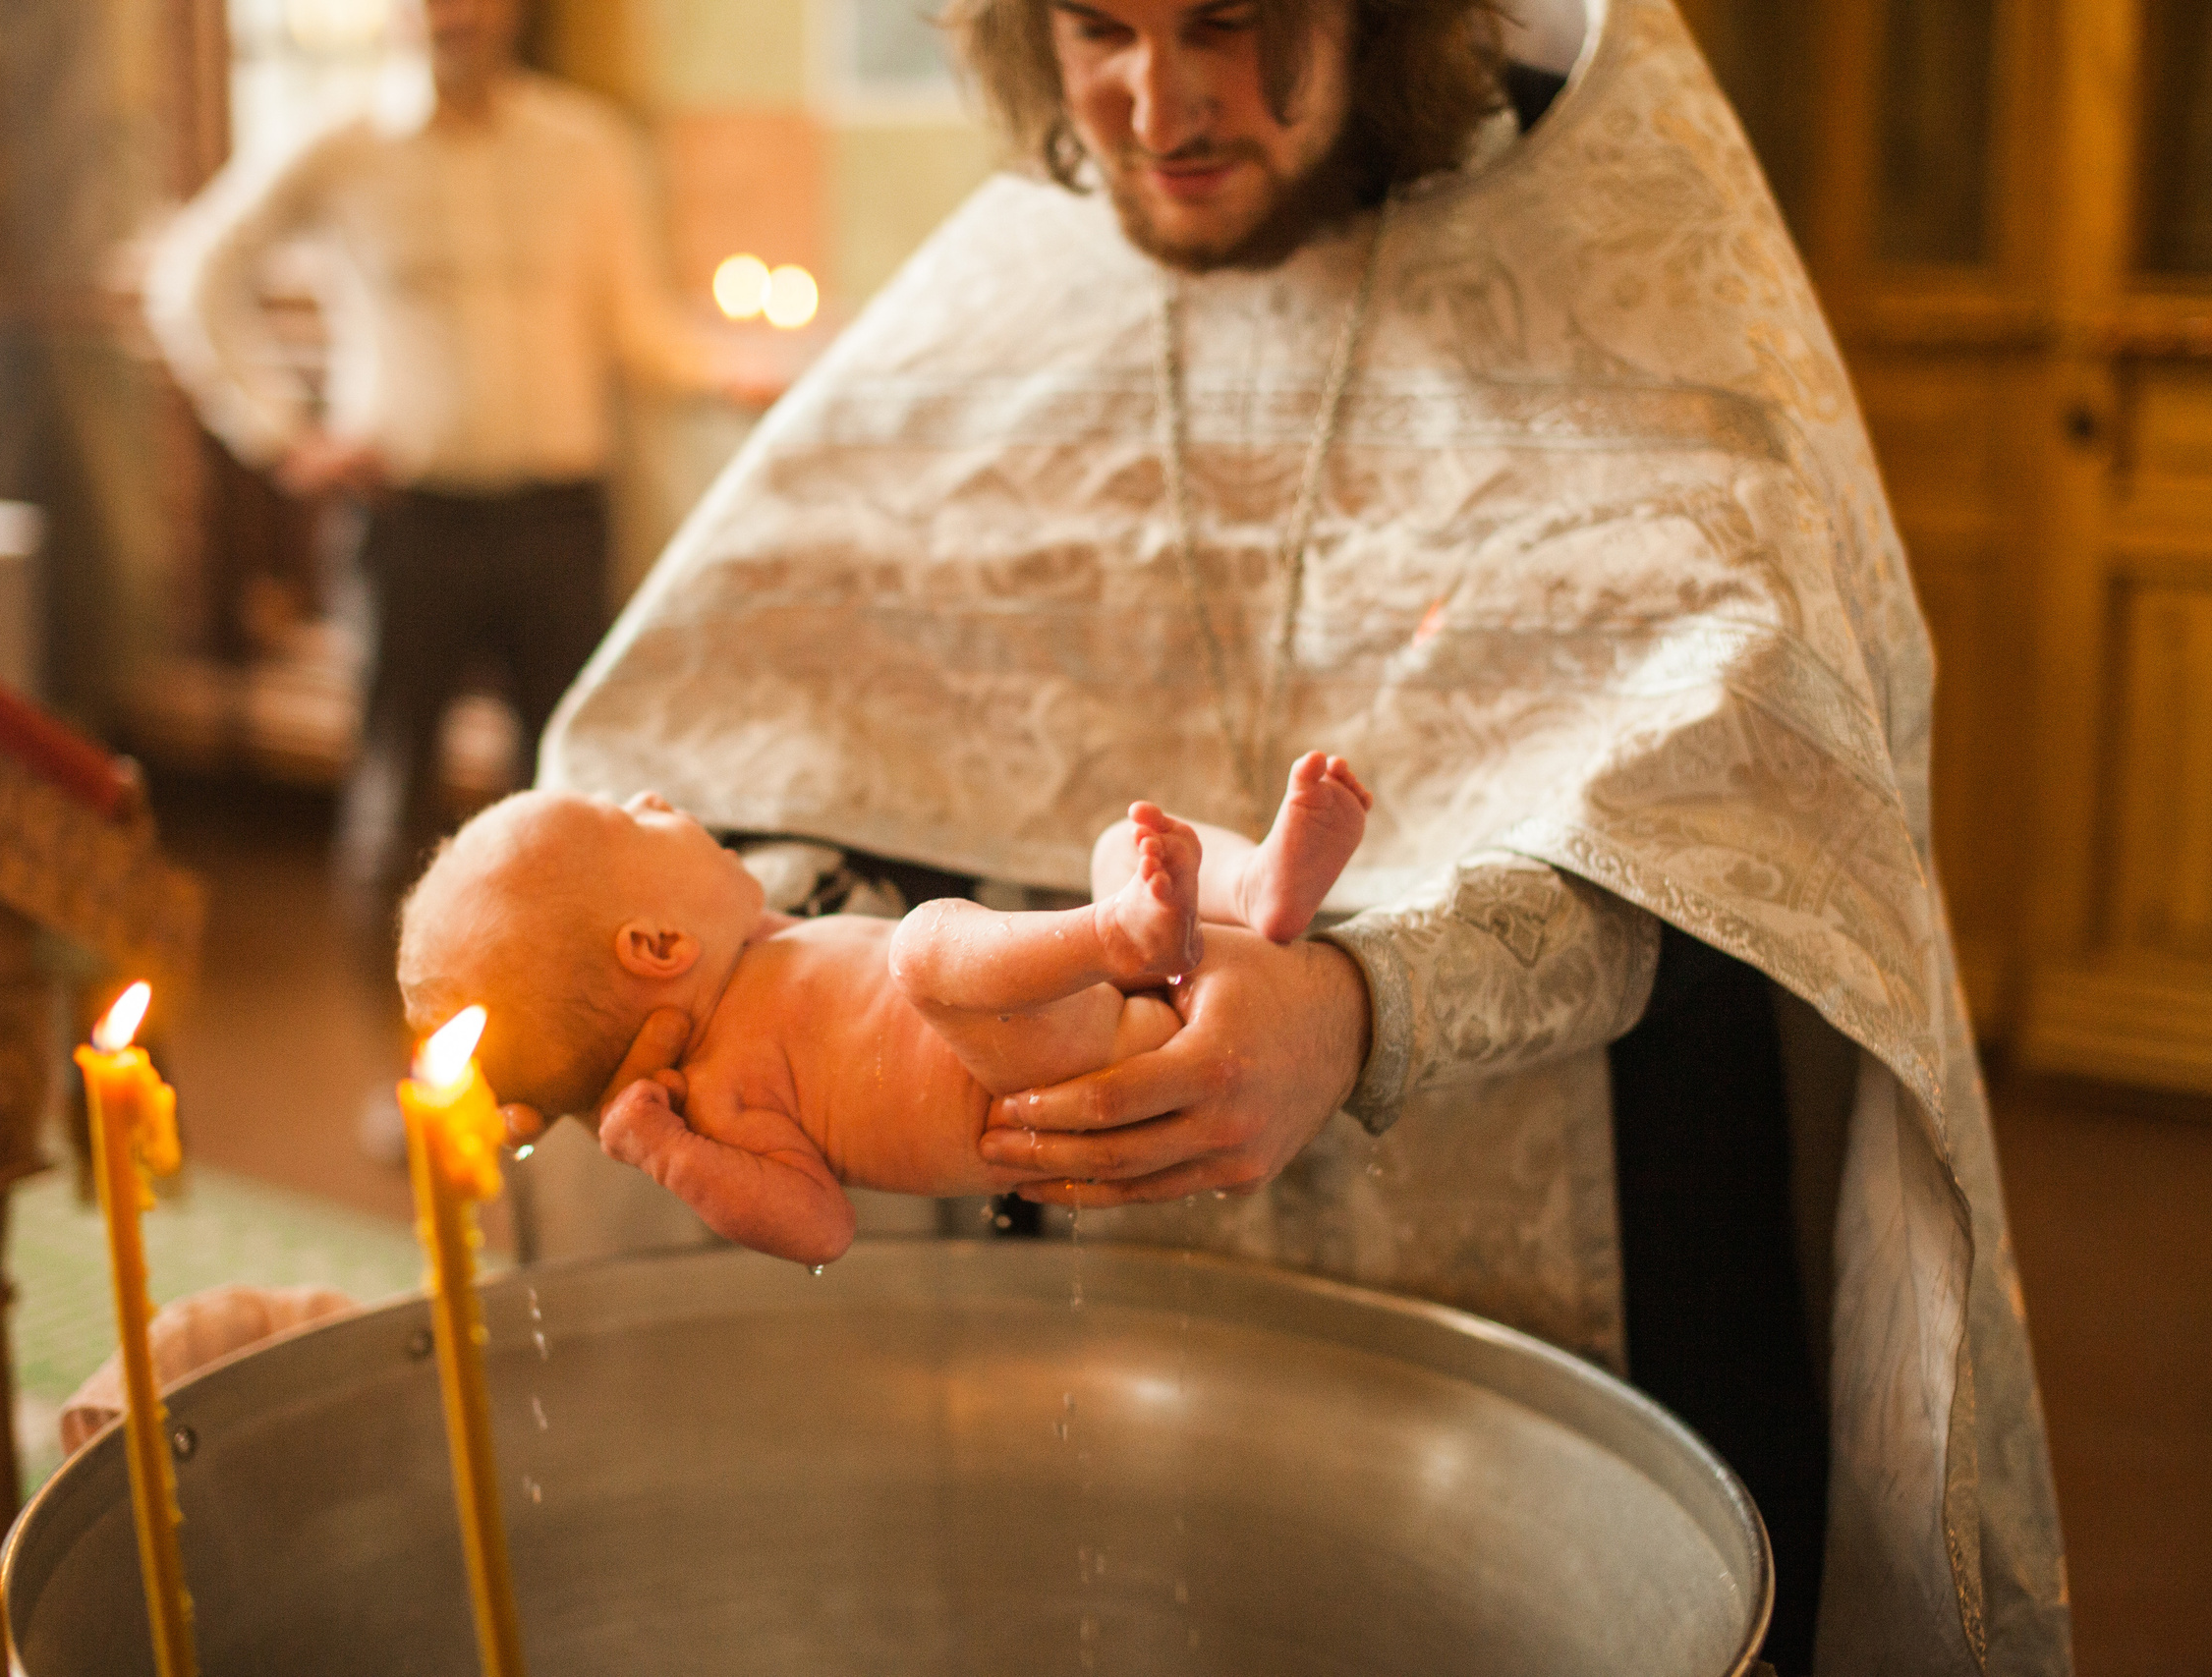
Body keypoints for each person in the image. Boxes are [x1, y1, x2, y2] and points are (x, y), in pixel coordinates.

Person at [534, 0, 2073, 1672]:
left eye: (1233, 21)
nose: (1162, 102)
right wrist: (745, 952)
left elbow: (1758, 815)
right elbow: (744, 743)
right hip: (1114, 1305)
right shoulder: (1002, 292)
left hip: (1596, 1260)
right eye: (1098, 30)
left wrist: (1360, 1006)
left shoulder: (1620, 255)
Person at [145, 0, 744, 933]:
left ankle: (559, 1021)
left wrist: (734, 374)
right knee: (395, 787)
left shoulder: (586, 145)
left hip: (558, 518)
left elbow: (638, 325)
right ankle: (397, 1052)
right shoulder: (339, 145)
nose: (450, 14)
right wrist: (280, 433)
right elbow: (190, 275)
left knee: (571, 784)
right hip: (408, 518)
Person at [394, 757, 1375, 1265]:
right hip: (1043, 1088)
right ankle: (1119, 933)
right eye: (627, 817)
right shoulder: (716, 1100)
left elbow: (752, 911)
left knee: (1124, 844)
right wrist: (670, 1153)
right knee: (919, 951)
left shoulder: (756, 950)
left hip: (1079, 1019)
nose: (654, 795)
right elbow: (821, 1232)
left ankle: (1259, 892)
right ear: (658, 949)